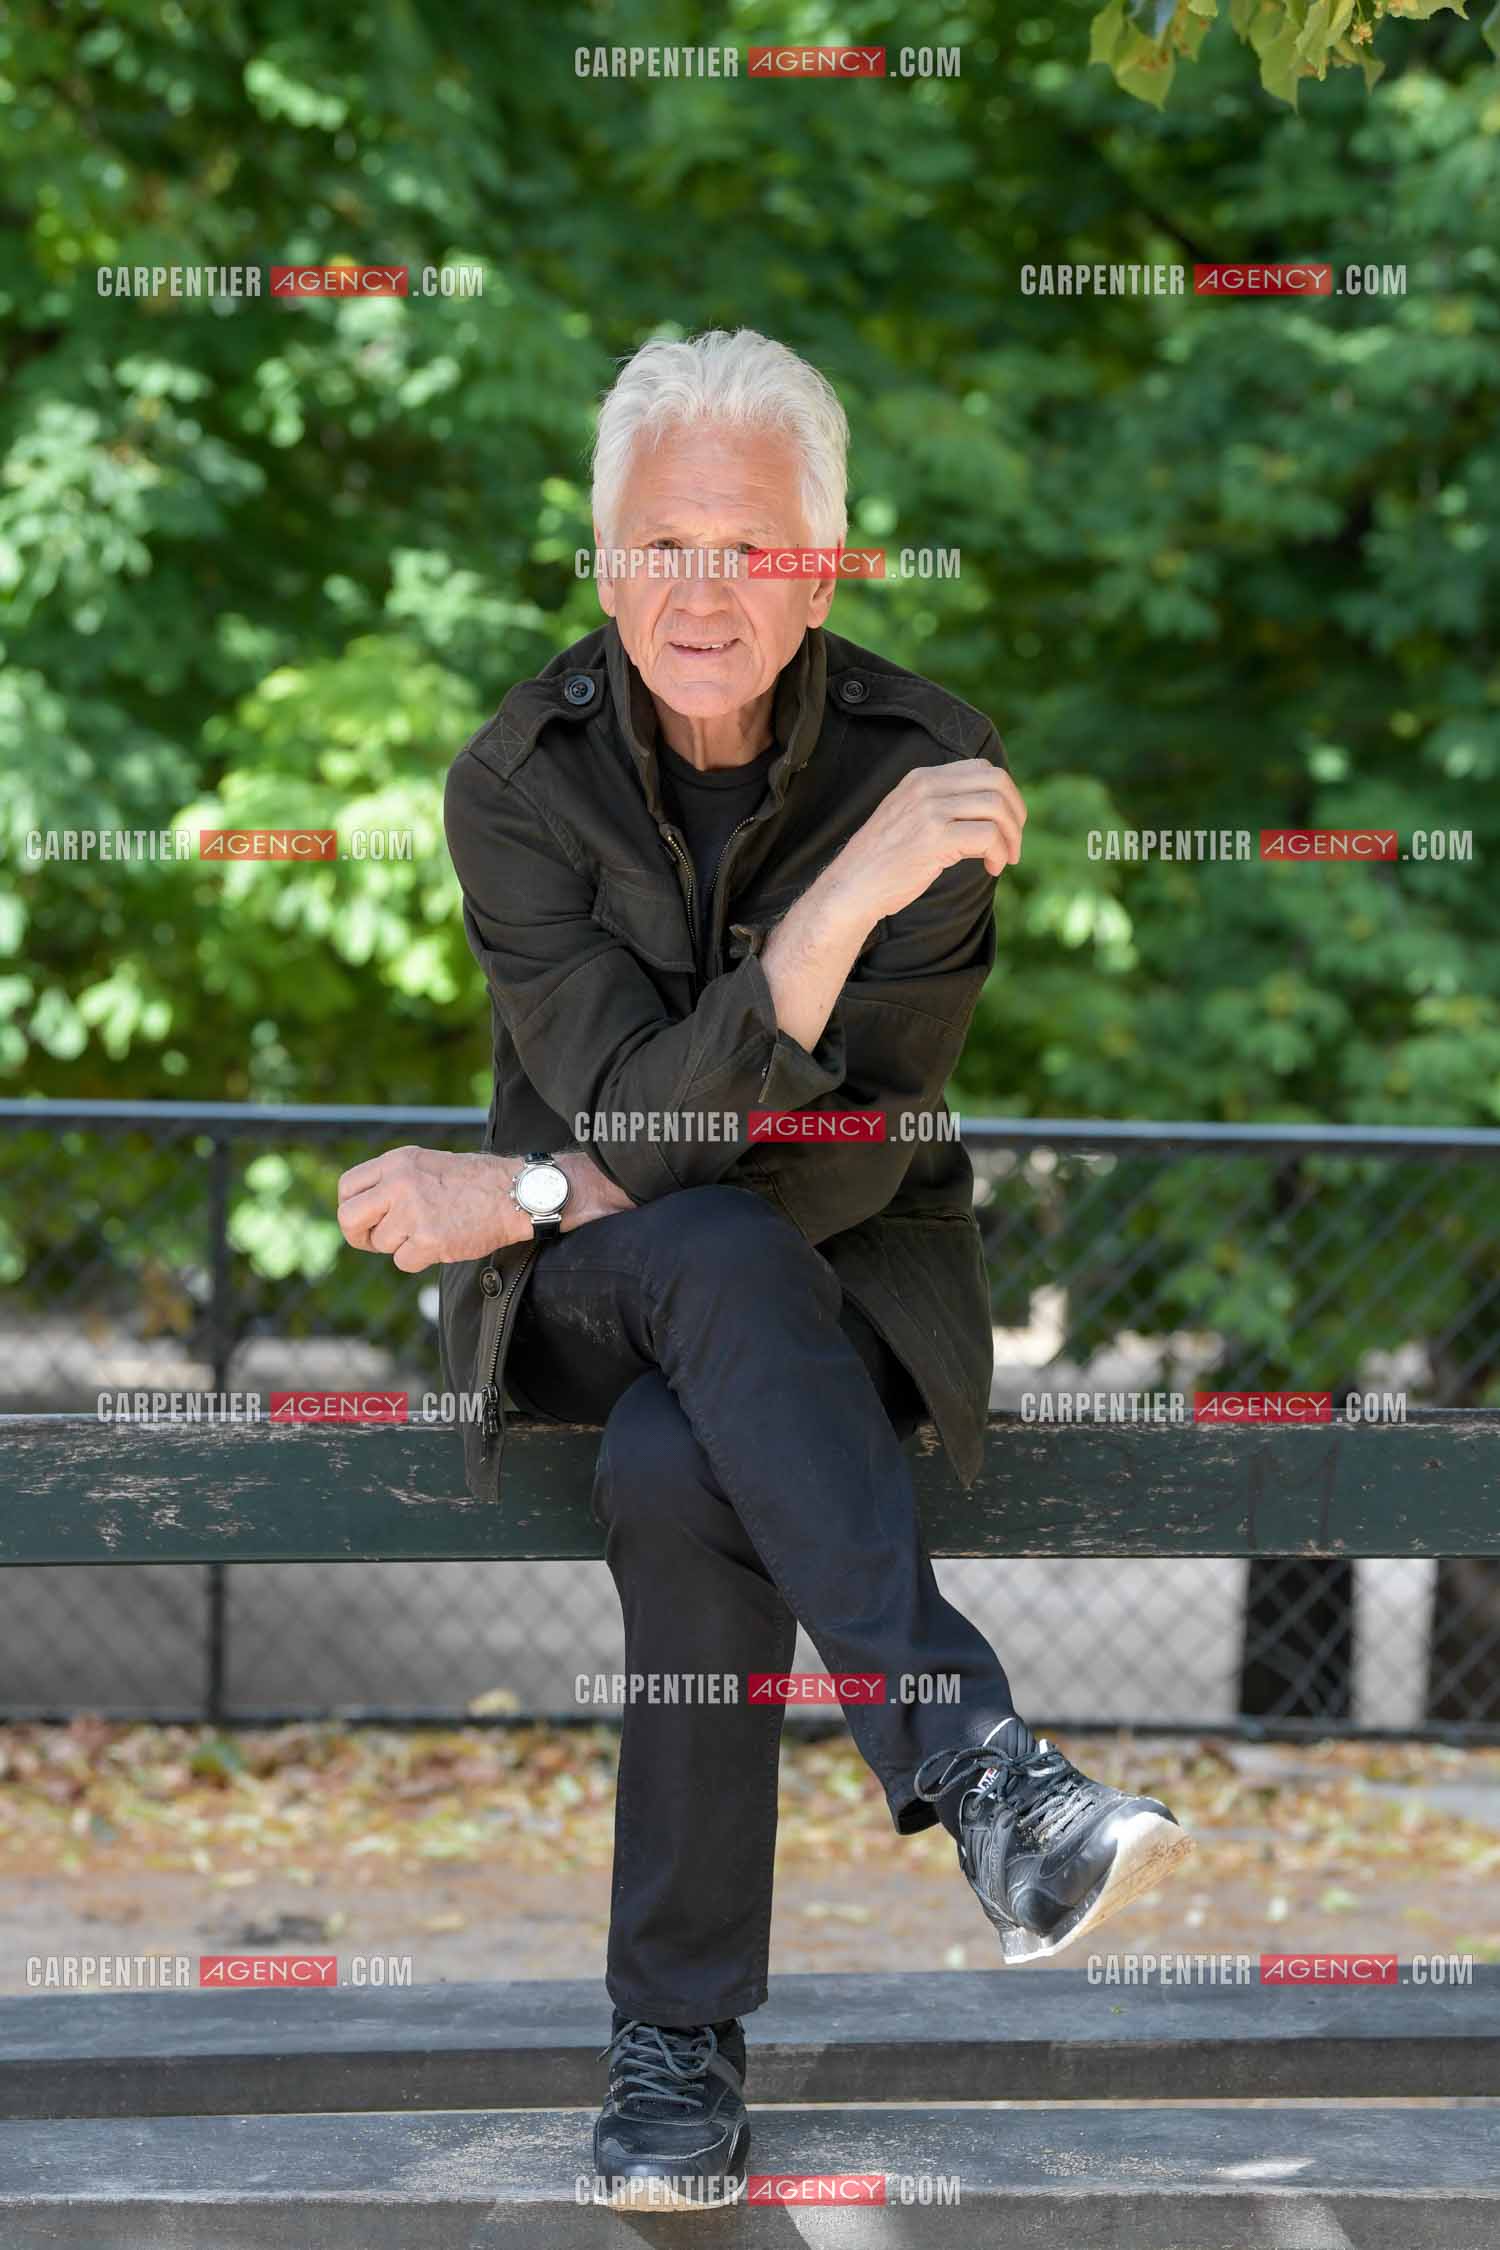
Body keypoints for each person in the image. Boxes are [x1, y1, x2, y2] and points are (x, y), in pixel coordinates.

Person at [336, 327, 1193, 2212]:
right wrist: (827, 909)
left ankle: (674, 2058)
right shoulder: (516, 781)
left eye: (744, 546)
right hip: (583, 1298)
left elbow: (844, 1142)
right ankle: (985, 1769)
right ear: (601, 560)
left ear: (821, 561)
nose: (697, 590)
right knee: (691, 1248)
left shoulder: (931, 762)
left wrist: (528, 1185)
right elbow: (638, 1118)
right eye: (658, 545)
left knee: (676, 1446)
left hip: (833, 1287)